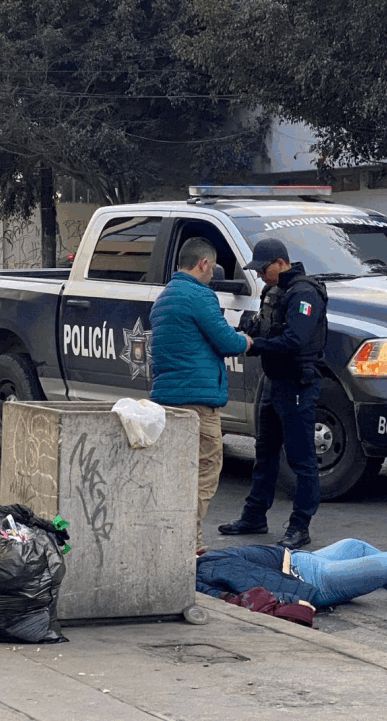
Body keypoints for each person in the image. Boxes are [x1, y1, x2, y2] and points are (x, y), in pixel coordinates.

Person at [218, 238, 328, 549]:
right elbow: (260, 325)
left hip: (297, 383)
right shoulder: (273, 291)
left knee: (301, 458)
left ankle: (300, 526)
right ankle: (254, 516)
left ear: (281, 263)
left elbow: (295, 340)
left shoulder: (306, 294)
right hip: (272, 381)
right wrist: (242, 333)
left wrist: (255, 345)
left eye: (264, 269)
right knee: (264, 453)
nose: (261, 276)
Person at [149, 237, 251, 554]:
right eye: (211, 270)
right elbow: (227, 342)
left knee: (178, 473)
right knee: (205, 472)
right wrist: (246, 339)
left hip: (167, 401)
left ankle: (174, 540)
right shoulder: (199, 296)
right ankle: (186, 541)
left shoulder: (163, 298)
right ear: (203, 264)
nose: (212, 277)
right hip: (198, 402)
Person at [197, 539, 387, 610]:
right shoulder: (196, 577)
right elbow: (230, 598)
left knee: (356, 545)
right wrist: (295, 600)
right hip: (311, 581)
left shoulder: (198, 560)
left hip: (303, 559)